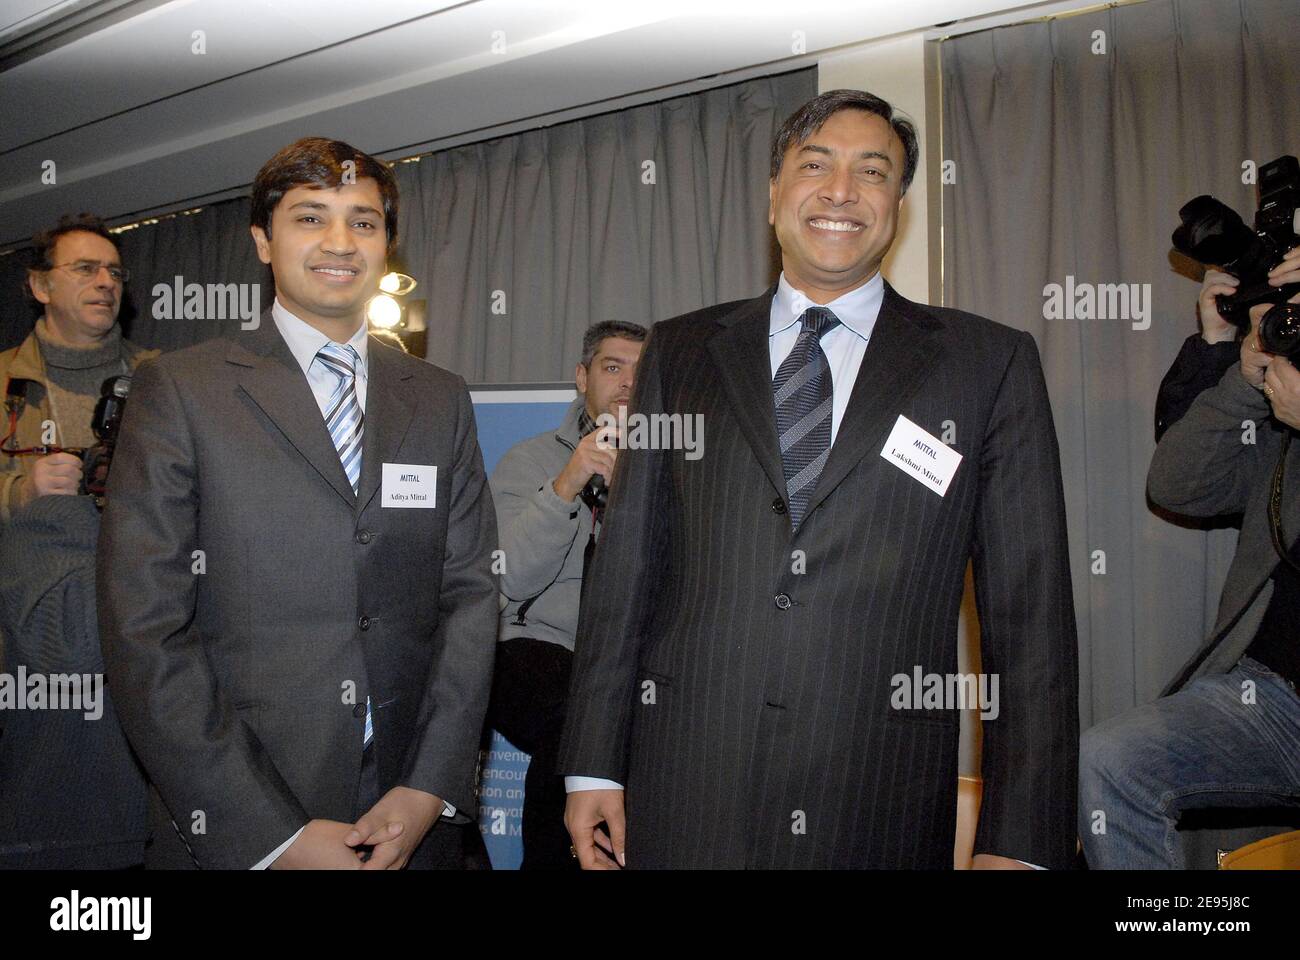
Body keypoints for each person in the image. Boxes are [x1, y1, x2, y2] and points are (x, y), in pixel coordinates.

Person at [558, 90, 1079, 870]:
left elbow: (1030, 619)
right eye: (814, 165)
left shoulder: (987, 365)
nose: (840, 191)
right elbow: (629, 566)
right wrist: (594, 760)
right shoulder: (683, 349)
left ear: (897, 204)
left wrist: (1021, 842)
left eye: (872, 171)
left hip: (879, 797)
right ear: (774, 194)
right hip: (682, 785)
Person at [97, 137, 499, 869]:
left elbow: (470, 595)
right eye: (311, 218)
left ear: (387, 242)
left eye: (364, 221)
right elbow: (144, 631)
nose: (341, 242)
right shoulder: (182, 390)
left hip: (411, 818)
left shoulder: (439, 398)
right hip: (243, 815)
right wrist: (271, 833)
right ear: (262, 239)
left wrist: (428, 789)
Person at [1079, 285, 1300, 869]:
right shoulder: (1283, 438)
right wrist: (1241, 378)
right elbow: (1178, 486)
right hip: (1274, 697)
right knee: (1108, 760)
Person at [0, 214, 155, 868]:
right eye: (85, 269)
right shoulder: (4, 382)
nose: (105, 283)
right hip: (20, 640)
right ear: (39, 286)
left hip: (132, 624)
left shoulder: (161, 382)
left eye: (115, 272)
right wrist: (20, 491)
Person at [487, 320, 645, 868]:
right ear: (582, 377)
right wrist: (567, 483)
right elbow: (508, 578)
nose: (627, 382)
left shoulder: (673, 469)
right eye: (612, 367)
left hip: (629, 660)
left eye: (639, 370)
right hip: (534, 647)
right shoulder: (528, 460)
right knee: (576, 722)